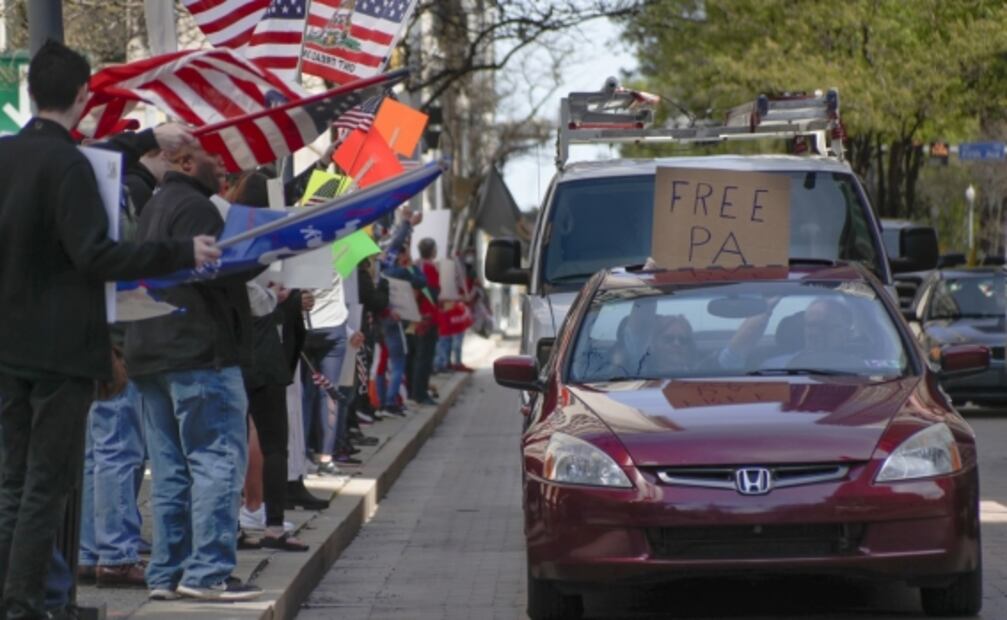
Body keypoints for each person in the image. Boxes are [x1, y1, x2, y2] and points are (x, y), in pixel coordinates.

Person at [0, 40, 218, 619]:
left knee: (11, 486)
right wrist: (181, 251)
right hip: (61, 355)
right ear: (82, 95)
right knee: (46, 487)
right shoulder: (68, 164)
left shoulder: (8, 156)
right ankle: (23, 607)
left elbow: (85, 155)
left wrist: (148, 139)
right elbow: (95, 256)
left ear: (30, 91)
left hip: (8, 348)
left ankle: (14, 600)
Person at [124, 142, 261, 602]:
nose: (224, 166)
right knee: (216, 460)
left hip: (151, 352)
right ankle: (208, 571)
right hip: (200, 353)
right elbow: (220, 271)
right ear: (186, 162)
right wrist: (262, 252)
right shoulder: (198, 207)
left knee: (168, 471)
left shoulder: (154, 205)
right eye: (214, 158)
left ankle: (166, 572)